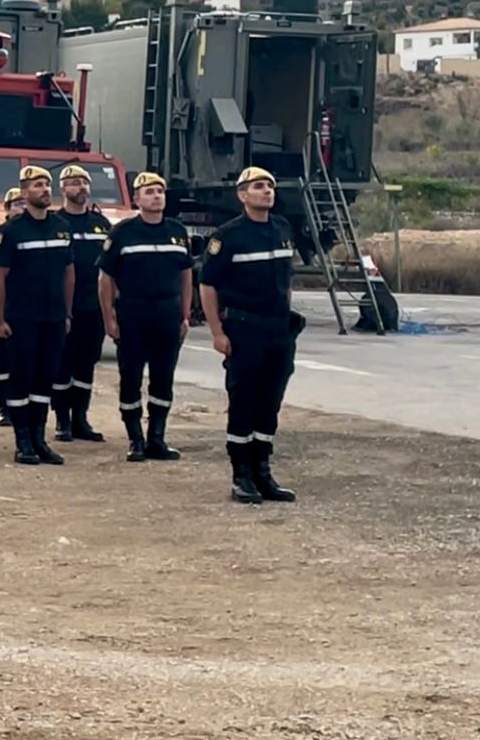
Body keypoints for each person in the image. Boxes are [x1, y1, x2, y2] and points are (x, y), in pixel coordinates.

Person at [200, 166, 303, 504]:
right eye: (258, 187)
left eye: (270, 186)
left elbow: (285, 282)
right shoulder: (227, 237)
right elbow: (208, 285)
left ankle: (263, 470)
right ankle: (240, 474)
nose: (267, 191)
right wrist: (217, 331)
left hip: (277, 329)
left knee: (270, 401)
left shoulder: (282, 228)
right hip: (244, 328)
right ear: (243, 195)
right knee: (243, 399)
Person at [99, 172, 193, 463]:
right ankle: (135, 439)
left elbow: (186, 274)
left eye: (160, 191)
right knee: (131, 377)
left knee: (163, 378)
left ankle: (157, 438)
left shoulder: (177, 231)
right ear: (137, 199)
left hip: (167, 313)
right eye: (149, 192)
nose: (156, 196)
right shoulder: (123, 233)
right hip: (133, 313)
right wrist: (109, 318)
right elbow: (105, 278)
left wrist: (186, 314)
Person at [0, 166, 73, 466]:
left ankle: (39, 439)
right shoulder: (10, 232)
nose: (44, 190)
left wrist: (67, 313)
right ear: (24, 193)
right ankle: (22, 440)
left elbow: (68, 273)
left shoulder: (60, 227)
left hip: (52, 317)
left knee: (45, 378)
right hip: (21, 317)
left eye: (47, 185)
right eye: (37, 185)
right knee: (21, 378)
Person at [51, 164, 112, 445]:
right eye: (74, 183)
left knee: (87, 363)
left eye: (84, 182)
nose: (81, 187)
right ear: (63, 189)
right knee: (62, 362)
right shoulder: (55, 223)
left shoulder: (102, 225)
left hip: (93, 305)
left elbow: (112, 267)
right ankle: (62, 418)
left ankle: (81, 418)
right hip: (63, 304)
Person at [0, 186, 24, 428]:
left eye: (24, 203)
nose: (21, 207)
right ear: (7, 208)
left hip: (29, 307)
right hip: (5, 304)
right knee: (4, 358)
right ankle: (4, 406)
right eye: (16, 203)